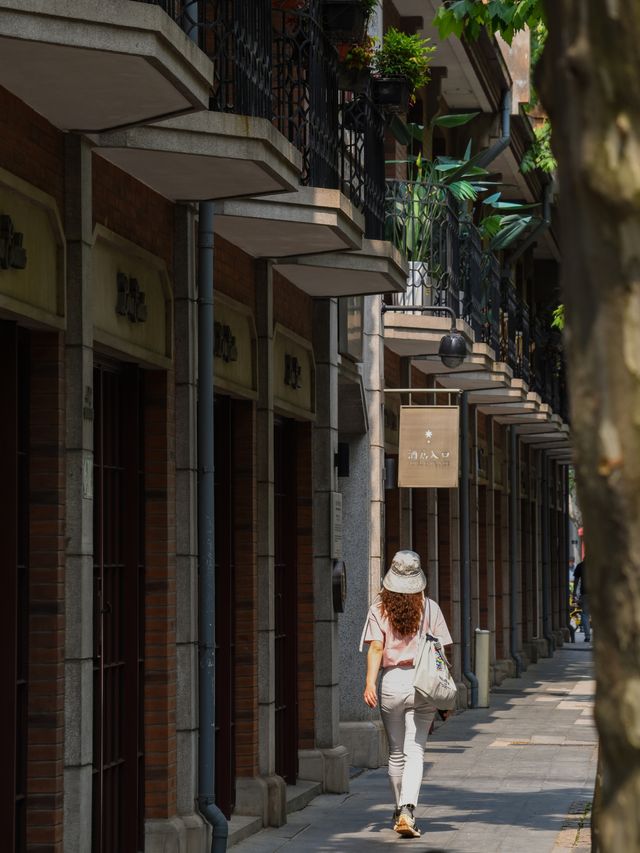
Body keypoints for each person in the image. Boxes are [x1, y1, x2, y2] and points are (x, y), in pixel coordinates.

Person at [360, 550, 453, 838]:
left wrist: (369, 683)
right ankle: (407, 809)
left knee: (396, 752)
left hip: (391, 683)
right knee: (416, 749)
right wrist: (444, 696)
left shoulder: (378, 609)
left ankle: (399, 807)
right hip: (423, 684)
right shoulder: (431, 608)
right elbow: (440, 654)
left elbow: (376, 648)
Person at [573, 559, 591, 641]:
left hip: (585, 593)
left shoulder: (581, 565)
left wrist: (574, 592)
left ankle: (587, 636)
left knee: (585, 614)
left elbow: (576, 580)